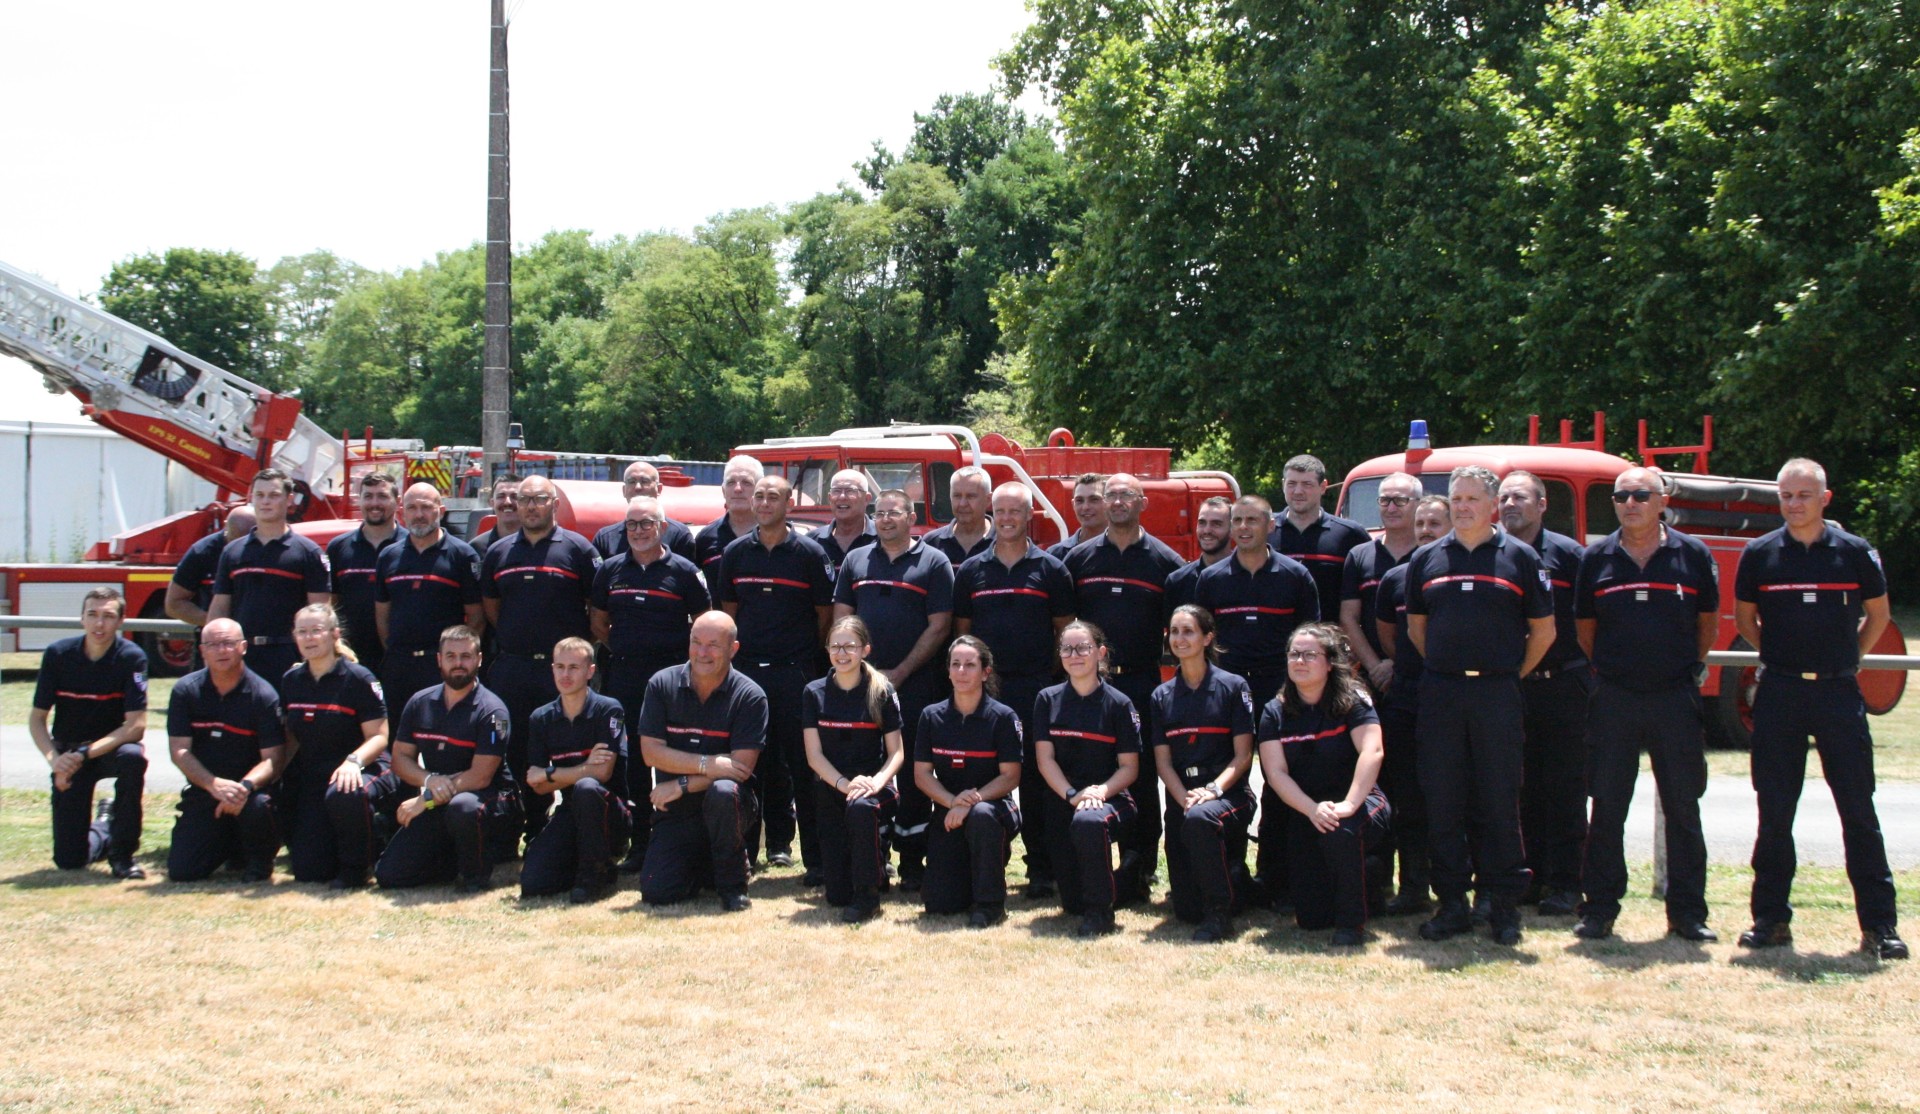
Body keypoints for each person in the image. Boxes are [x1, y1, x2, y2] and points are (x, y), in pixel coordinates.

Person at [1733, 458, 1906, 959]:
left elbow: (1880, 614)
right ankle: (1769, 921)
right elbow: (1746, 619)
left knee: (1858, 811)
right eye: (1786, 496)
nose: (1793, 504)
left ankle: (1880, 928)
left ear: (1824, 498)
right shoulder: (1760, 553)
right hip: (1781, 694)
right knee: (1775, 812)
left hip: (1837, 693)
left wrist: (1851, 657)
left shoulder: (1855, 552)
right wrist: (1779, 655)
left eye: (1804, 495)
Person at [1403, 466, 1555, 945]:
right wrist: (1453, 669)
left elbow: (1544, 632)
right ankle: (1451, 905)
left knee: (1498, 803)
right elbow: (1416, 630)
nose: (1463, 506)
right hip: (1442, 693)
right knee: (1443, 802)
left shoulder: (1521, 557)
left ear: (1492, 504)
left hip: (1497, 696)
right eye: (1457, 498)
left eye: (1472, 498)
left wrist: (1505, 673)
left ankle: (1503, 909)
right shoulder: (1426, 559)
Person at [1571, 467, 1718, 942]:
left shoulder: (1692, 555)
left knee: (1683, 807)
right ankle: (1600, 910)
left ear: (1662, 501)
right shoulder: (1596, 558)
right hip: (1615, 697)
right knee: (1608, 806)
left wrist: (1688, 669)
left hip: (1674, 697)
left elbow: (1708, 623)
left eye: (1640, 495)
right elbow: (1586, 631)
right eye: (1621, 495)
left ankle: (1688, 913)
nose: (1630, 502)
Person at [1063, 471, 1183, 902]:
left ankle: (1141, 864)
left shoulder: (1167, 564)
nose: (1116, 502)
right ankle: (1084, 859)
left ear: (1142, 502)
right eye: (1109, 495)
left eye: (1125, 495)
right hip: (1087, 686)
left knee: (1142, 774)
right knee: (1087, 767)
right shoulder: (1078, 561)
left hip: (1140, 683)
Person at [1195, 493, 1319, 905]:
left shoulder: (1295, 577)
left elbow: (1311, 640)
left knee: (1283, 786)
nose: (1243, 527)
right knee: (1226, 782)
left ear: (1271, 526)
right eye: (1237, 520)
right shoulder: (1212, 581)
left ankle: (1279, 878)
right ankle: (1231, 875)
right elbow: (1201, 642)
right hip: (1227, 694)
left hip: (1280, 694)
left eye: (1252, 520)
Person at [953, 483, 1075, 898]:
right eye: (1000, 511)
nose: (1006, 518)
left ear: (1029, 517)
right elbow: (962, 636)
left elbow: (1065, 633)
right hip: (987, 695)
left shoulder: (1051, 570)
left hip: (1037, 690)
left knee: (1040, 783)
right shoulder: (971, 570)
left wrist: (1053, 687)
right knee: (987, 778)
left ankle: (1043, 869)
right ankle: (986, 867)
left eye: (1014, 512)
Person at [832, 488, 954, 888]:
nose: (884, 520)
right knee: (868, 769)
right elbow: (843, 621)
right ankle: (874, 859)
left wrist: (899, 673)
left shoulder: (934, 562)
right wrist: (860, 673)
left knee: (915, 773)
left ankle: (913, 863)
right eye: (879, 513)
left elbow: (939, 626)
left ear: (911, 517)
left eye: (893, 513)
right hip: (862, 687)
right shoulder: (856, 560)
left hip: (917, 686)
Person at [717, 474, 834, 877]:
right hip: (747, 676)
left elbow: (824, 617)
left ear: (789, 504)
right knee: (748, 767)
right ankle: (744, 855)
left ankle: (816, 861)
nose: (764, 503)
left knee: (803, 768)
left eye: (773, 497)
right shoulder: (734, 553)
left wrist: (802, 658)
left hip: (794, 674)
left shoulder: (809, 553)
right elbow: (728, 615)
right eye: (759, 496)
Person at [590, 494, 711, 873]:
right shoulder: (609, 570)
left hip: (672, 682)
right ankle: (639, 844)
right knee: (633, 765)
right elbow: (598, 623)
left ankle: (677, 843)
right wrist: (628, 650)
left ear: (663, 527)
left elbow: (704, 622)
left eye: (646, 523)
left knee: (673, 760)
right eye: (632, 524)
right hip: (624, 677)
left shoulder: (686, 571)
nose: (639, 531)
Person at [480, 473, 600, 845]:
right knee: (517, 751)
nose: (531, 506)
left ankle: (573, 829)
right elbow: (492, 609)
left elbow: (596, 610)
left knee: (569, 747)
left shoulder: (579, 549)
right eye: (524, 499)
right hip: (514, 669)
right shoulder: (498, 552)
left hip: (564, 674)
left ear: (554, 504)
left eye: (539, 499)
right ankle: (526, 828)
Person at [1256, 623, 1391, 947]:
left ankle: (1351, 924)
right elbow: (1275, 774)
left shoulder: (1354, 700)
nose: (1299, 661)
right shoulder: (1275, 711)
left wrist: (1348, 805)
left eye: (1309, 655)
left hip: (1361, 800)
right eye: (1294, 654)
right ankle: (1366, 878)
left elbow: (1372, 751)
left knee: (1342, 830)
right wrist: (1312, 809)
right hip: (1310, 806)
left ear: (1329, 662)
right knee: (1311, 920)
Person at [1498, 469, 1590, 916]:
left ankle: (1567, 883)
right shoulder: (1497, 555)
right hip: (1512, 689)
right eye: (1504, 497)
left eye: (1520, 496)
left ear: (1542, 504)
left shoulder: (1569, 555)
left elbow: (1590, 620)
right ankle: (1529, 878)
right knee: (1520, 789)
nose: (1510, 504)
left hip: (1563, 687)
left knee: (1566, 789)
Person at [636, 611, 769, 913]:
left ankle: (732, 885)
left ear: (733, 649)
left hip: (729, 806)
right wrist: (708, 764)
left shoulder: (750, 696)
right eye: (696, 642)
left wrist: (683, 783)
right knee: (658, 892)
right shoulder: (661, 684)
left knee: (723, 792)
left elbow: (739, 768)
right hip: (678, 811)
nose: (702, 652)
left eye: (713, 645)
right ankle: (701, 864)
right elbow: (651, 753)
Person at [375, 625, 522, 893]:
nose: (458, 664)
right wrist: (429, 780)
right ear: (439, 660)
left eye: (466, 656)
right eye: (451, 656)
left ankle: (474, 875)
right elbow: (400, 759)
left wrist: (427, 798)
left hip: (489, 800)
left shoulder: (492, 710)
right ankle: (452, 859)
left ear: (478, 659)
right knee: (389, 875)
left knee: (463, 807)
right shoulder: (419, 702)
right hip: (442, 796)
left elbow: (481, 776)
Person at [1152, 604, 1257, 942]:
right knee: (1185, 910)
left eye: (1189, 631)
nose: (1180, 639)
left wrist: (1212, 790)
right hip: (1183, 798)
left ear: (1208, 637)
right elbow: (1163, 762)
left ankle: (1220, 915)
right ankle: (1235, 885)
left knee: (1200, 819)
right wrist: (1183, 798)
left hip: (1228, 794)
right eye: (1174, 632)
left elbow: (1242, 758)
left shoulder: (1232, 686)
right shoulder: (1161, 695)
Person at [1032, 621, 1142, 937]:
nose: (1075, 655)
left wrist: (1099, 792)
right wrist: (1071, 794)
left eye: (1083, 648)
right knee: (1072, 903)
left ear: (1101, 653)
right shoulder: (1046, 699)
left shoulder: (1119, 704)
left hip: (1111, 800)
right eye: (1067, 648)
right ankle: (1123, 880)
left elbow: (1129, 768)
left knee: (1089, 822)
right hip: (1065, 798)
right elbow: (1045, 760)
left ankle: (1100, 915)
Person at [29, 587, 150, 878]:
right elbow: (37, 720)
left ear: (120, 621)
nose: (99, 624)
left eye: (108, 616)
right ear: (81, 619)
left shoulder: (132, 658)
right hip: (69, 753)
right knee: (70, 860)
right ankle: (105, 825)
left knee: (133, 758)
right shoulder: (58, 655)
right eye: (92, 615)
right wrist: (56, 761)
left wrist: (85, 753)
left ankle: (122, 856)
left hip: (109, 750)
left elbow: (135, 727)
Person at [277, 603, 396, 888]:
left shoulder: (358, 678)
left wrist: (353, 762)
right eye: (302, 632)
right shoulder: (291, 680)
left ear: (334, 635)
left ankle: (360, 866)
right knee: (309, 871)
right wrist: (275, 770)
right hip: (316, 774)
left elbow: (379, 736)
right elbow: (291, 736)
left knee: (345, 792)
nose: (309, 638)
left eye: (316, 631)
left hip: (362, 768)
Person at [1371, 494, 1450, 914]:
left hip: (1453, 698)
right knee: (1407, 797)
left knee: (1455, 794)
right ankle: (1413, 887)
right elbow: (1389, 636)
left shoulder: (1459, 574)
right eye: (1421, 524)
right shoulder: (1395, 579)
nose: (1425, 531)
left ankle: (1456, 884)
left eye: (1435, 524)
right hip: (1406, 697)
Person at [914, 636, 1023, 927]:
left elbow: (1011, 776)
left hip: (994, 808)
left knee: (983, 817)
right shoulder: (931, 716)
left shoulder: (1003, 717)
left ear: (986, 672)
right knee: (939, 904)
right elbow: (921, 774)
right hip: (950, 812)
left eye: (970, 665)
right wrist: (952, 802)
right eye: (956, 665)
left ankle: (991, 905)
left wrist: (971, 801)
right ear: (947, 671)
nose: (962, 671)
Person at [164, 618, 285, 883]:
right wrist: (213, 784)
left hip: (248, 795)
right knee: (183, 872)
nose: (221, 650)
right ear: (201, 649)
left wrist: (244, 788)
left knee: (260, 807)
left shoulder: (263, 695)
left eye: (228, 644)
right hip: (205, 791)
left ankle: (259, 862)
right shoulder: (185, 691)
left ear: (243, 647)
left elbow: (273, 760)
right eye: (213, 644)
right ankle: (229, 843)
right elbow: (179, 752)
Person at [803, 616, 907, 922]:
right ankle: (872, 869)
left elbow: (897, 753)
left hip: (875, 789)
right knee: (836, 896)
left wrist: (874, 783)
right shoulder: (813, 692)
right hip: (833, 787)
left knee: (861, 809)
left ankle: (868, 898)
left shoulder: (881, 690)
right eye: (835, 646)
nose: (842, 652)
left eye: (850, 646)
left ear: (865, 649)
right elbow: (813, 755)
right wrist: (844, 784)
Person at [520, 638, 630, 904]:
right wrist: (583, 768)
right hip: (570, 812)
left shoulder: (608, 709)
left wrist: (550, 773)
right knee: (533, 884)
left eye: (574, 667)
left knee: (587, 788)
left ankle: (596, 874)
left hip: (608, 813)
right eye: (560, 666)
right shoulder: (541, 718)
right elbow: (536, 783)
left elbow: (602, 774)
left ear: (590, 671)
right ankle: (583, 861)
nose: (565, 674)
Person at [209, 469, 330, 691]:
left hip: (289, 657)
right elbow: (219, 608)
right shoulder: (232, 552)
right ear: (251, 498)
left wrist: (312, 658)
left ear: (289, 500)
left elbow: (321, 613)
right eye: (260, 495)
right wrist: (214, 649)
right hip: (241, 656)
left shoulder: (308, 552)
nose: (265, 502)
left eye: (273, 495)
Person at [375, 483, 486, 713]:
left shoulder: (462, 556)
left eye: (426, 507)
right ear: (402, 512)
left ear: (441, 511)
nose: (418, 515)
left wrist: (455, 660)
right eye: (412, 508)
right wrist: (396, 652)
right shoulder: (388, 556)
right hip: (399, 667)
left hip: (441, 669)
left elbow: (477, 616)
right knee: (399, 737)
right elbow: (382, 616)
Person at [1268, 453, 1370, 631]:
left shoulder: (1350, 535)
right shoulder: (1264, 531)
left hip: (1331, 646)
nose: (1298, 491)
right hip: (1275, 645)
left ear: (1323, 487)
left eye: (1307, 484)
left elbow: (1368, 595)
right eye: (1291, 484)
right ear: (1283, 484)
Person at [1341, 472, 1423, 692]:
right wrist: (1375, 667)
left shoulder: (1429, 556)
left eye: (1400, 501)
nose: (1391, 508)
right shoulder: (1359, 556)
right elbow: (1349, 618)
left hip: (1422, 672)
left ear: (1418, 504)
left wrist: (1399, 665)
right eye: (1385, 500)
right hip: (1372, 676)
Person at [326, 471, 401, 673]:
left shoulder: (411, 545)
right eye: (368, 496)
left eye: (382, 496)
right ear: (359, 500)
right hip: (352, 659)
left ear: (397, 501)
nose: (374, 503)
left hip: (398, 657)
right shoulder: (338, 548)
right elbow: (330, 604)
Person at [165, 504, 254, 627]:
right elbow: (174, 604)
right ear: (225, 526)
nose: (238, 549)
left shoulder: (267, 547)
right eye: (235, 541)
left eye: (246, 543)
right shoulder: (202, 552)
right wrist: (215, 624)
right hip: (218, 642)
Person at [591, 461, 698, 563]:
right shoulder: (605, 538)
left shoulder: (679, 535)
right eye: (632, 482)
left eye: (644, 481)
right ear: (624, 490)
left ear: (659, 489)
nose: (638, 487)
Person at [695, 455, 764, 593]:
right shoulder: (704, 539)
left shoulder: (776, 536)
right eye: (731, 482)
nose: (738, 489)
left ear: (760, 490)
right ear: (723, 490)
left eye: (746, 482)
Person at [1164, 495, 1233, 614]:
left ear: (1232, 529)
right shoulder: (1178, 581)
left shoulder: (1247, 577)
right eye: (1202, 523)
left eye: (1216, 524)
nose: (1207, 530)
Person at [923, 466, 994, 568]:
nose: (962, 503)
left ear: (988, 499)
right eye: (957, 496)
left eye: (971, 496)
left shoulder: (1005, 541)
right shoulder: (932, 542)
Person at [817, 469, 878, 575]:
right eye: (836, 491)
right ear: (829, 498)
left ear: (867, 499)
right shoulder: (813, 541)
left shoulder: (883, 539)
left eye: (850, 491)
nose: (842, 497)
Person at [1047, 473, 1108, 560]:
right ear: (1073, 504)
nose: (1085, 507)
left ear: (1108, 503)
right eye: (1079, 500)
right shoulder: (1056, 555)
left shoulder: (1126, 550)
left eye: (1094, 500)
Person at [467, 473, 522, 554]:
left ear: (525, 502)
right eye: (501, 496)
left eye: (514, 497)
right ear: (492, 503)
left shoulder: (538, 545)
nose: (507, 502)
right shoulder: (476, 547)